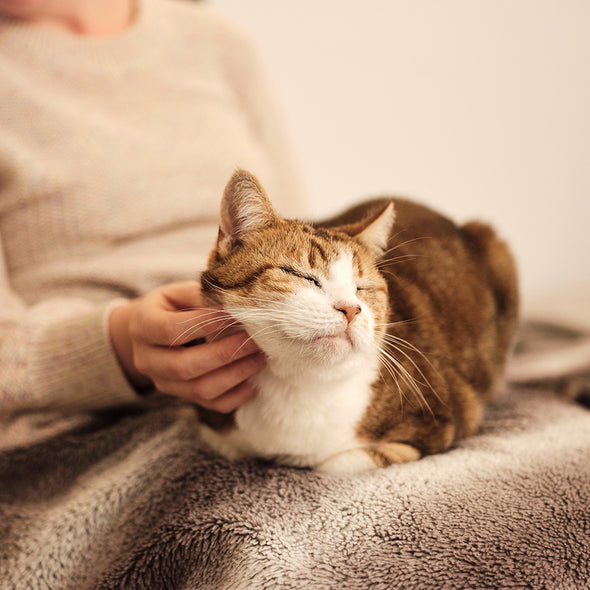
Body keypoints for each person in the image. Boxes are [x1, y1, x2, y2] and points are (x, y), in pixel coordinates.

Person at [0, 0, 306, 449]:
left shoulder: (215, 43)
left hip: (274, 394)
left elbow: (299, 234)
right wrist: (123, 344)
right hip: (81, 439)